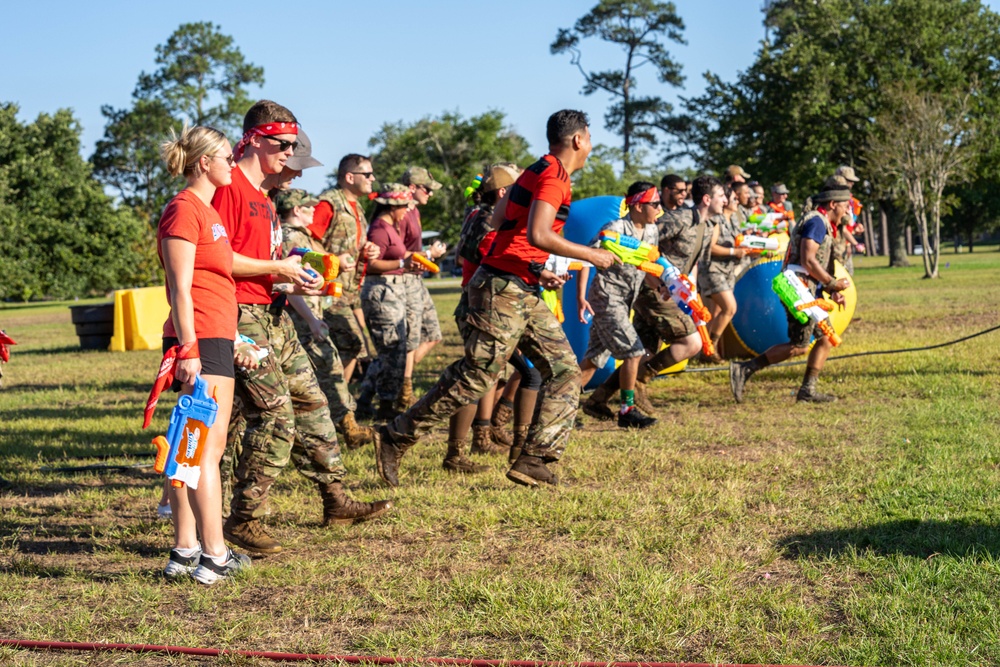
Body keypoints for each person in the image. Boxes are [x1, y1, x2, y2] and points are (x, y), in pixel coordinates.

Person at [375, 110, 617, 489]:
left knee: (566, 369)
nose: (591, 146)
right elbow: (538, 233)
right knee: (477, 376)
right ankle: (396, 434)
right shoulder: (555, 177)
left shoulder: (537, 170)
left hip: (517, 284)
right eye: (590, 138)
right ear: (578, 140)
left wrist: (536, 268)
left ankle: (534, 458)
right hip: (502, 289)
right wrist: (591, 254)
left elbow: (502, 218)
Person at [213, 100, 391, 555]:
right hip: (239, 316)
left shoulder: (265, 198)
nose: (292, 159)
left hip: (272, 313)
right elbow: (217, 261)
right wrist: (279, 267)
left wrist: (292, 279)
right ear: (254, 139)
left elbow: (261, 265)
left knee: (313, 402)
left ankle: (334, 499)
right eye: (285, 146)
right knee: (274, 417)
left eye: (295, 147)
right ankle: (243, 519)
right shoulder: (229, 187)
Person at [155, 124, 254, 584]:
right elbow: (179, 288)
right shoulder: (184, 209)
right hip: (202, 342)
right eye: (226, 158)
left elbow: (216, 281)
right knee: (202, 452)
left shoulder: (208, 211)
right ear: (204, 164)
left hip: (215, 336)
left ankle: (186, 551)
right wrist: (189, 349)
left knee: (188, 448)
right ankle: (213, 557)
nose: (232, 164)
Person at [729, 186, 853, 404]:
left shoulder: (823, 223)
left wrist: (829, 290)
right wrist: (832, 283)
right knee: (800, 345)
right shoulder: (816, 223)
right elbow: (808, 260)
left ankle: (807, 390)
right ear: (833, 204)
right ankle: (745, 369)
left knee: (825, 338)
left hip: (806, 289)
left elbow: (815, 263)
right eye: (845, 206)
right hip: (798, 290)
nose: (847, 211)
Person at [274, 189, 377, 450]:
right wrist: (311, 319)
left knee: (314, 374)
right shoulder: (291, 238)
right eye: (309, 207)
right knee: (328, 369)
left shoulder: (297, 236)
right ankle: (347, 428)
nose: (313, 211)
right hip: (300, 317)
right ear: (297, 210)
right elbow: (291, 283)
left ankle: (335, 428)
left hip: (307, 314)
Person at [629, 175, 723, 414]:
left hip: (673, 292)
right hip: (652, 288)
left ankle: (599, 399)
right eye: (721, 196)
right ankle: (640, 381)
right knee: (692, 342)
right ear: (706, 199)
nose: (726, 200)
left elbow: (692, 263)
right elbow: (645, 240)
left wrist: (687, 290)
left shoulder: (706, 226)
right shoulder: (680, 219)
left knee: (644, 350)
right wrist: (658, 279)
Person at [577, 181, 662, 429]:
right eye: (654, 204)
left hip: (624, 301)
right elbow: (586, 258)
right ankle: (627, 411)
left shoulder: (652, 231)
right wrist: (581, 297)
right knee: (635, 352)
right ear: (637, 206)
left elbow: (645, 267)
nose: (658, 209)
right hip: (606, 298)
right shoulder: (615, 228)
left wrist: (660, 286)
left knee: (594, 360)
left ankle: (559, 407)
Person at [312, 154, 379, 388]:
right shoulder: (328, 203)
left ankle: (339, 404)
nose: (372, 178)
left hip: (349, 291)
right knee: (352, 344)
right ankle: (336, 405)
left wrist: (367, 250)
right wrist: (332, 260)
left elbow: (349, 244)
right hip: (328, 290)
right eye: (367, 174)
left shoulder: (356, 207)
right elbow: (305, 243)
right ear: (350, 177)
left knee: (351, 346)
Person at [360, 183, 418, 421]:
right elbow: (372, 265)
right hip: (381, 291)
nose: (407, 210)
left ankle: (380, 401)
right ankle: (382, 406)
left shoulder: (391, 227)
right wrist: (402, 264)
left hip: (392, 291)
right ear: (393, 206)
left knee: (396, 350)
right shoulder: (379, 230)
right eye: (404, 205)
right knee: (391, 349)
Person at [398, 166, 447, 410]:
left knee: (434, 335)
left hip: (417, 279)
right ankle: (403, 388)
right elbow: (395, 252)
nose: (430, 193)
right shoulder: (400, 212)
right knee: (411, 337)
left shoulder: (415, 212)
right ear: (412, 188)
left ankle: (396, 377)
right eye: (427, 189)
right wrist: (428, 254)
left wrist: (427, 257)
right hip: (406, 280)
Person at [698, 183, 752, 360]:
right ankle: (710, 348)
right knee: (730, 308)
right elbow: (710, 247)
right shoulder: (716, 220)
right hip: (712, 270)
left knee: (714, 314)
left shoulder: (733, 220)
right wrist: (733, 252)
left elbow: (736, 243)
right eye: (734, 198)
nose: (738, 201)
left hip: (727, 270)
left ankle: (703, 351)